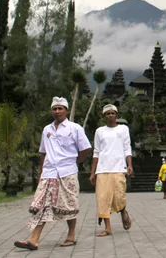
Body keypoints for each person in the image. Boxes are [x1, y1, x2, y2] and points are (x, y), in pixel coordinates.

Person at [14, 97, 92, 250]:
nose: (57, 111)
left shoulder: (74, 128)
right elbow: (43, 152)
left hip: (67, 172)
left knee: (69, 204)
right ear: (51, 111)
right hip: (49, 173)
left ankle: (71, 234)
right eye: (54, 109)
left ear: (66, 110)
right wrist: (41, 172)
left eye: (60, 108)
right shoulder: (47, 130)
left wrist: (75, 161)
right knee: (43, 205)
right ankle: (34, 239)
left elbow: (86, 148)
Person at [90, 104, 133, 236]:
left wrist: (129, 164)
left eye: (113, 113)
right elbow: (96, 152)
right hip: (102, 169)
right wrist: (92, 172)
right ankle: (108, 228)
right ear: (104, 116)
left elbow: (127, 148)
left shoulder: (123, 129)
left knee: (119, 196)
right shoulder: (99, 131)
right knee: (103, 199)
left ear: (116, 115)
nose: (110, 115)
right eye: (108, 113)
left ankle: (123, 212)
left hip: (119, 167)